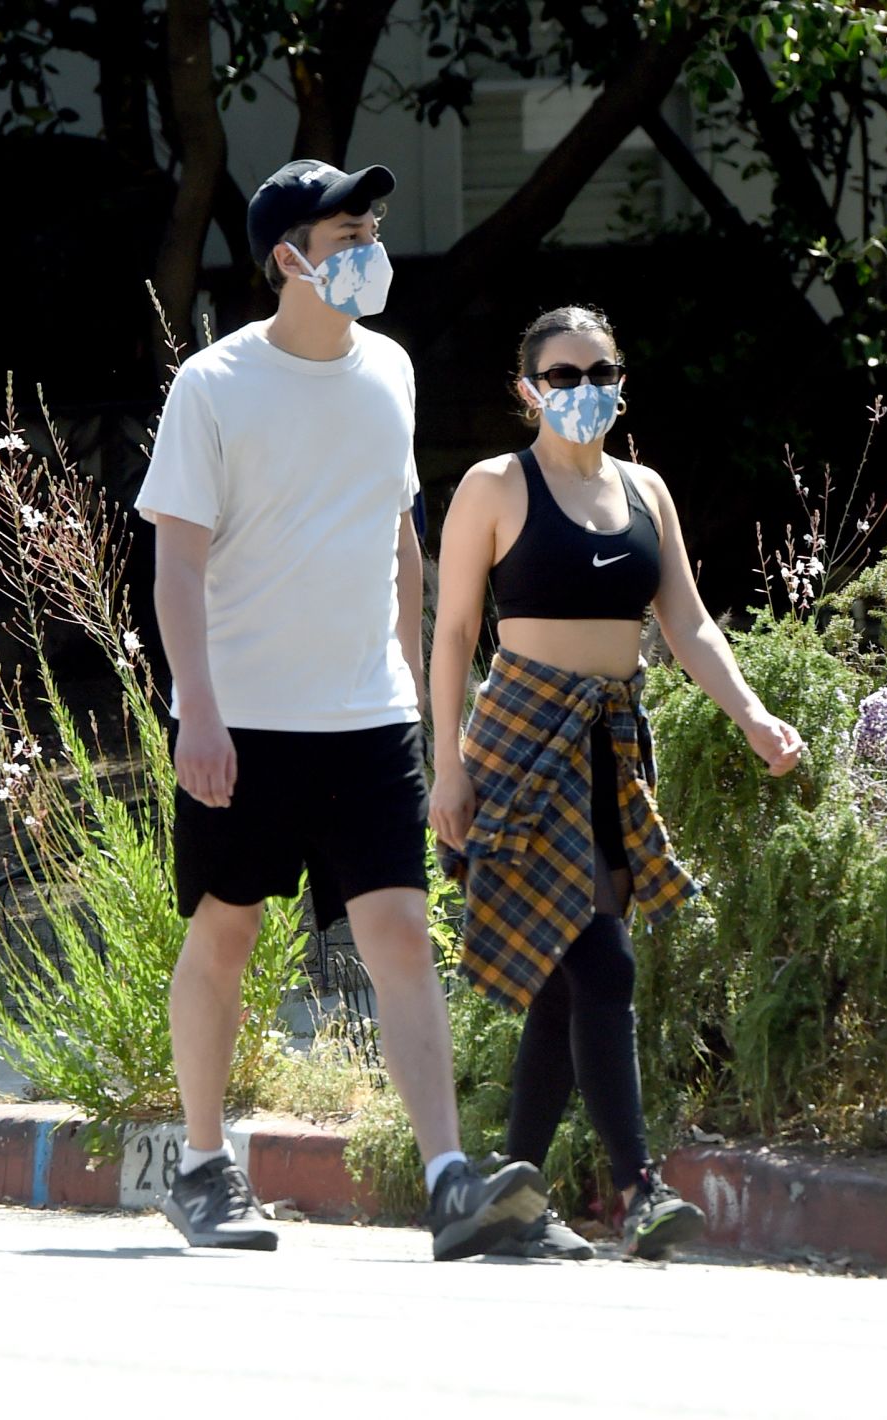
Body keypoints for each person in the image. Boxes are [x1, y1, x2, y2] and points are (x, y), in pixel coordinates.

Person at [134, 159, 547, 1258]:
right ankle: (205, 1164)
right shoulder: (213, 388)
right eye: (346, 231)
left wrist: (415, 687)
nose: (368, 243)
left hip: (369, 715)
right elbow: (178, 566)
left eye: (371, 224)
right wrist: (200, 712)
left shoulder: (393, 372)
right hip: (248, 719)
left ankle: (450, 1179)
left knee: (401, 931)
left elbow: (401, 532)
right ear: (288, 259)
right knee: (227, 930)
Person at [429, 305, 803, 1260]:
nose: (583, 388)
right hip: (518, 746)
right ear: (528, 390)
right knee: (604, 963)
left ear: (621, 381)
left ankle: (503, 1194)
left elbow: (689, 624)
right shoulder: (495, 487)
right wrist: (446, 771)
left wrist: (754, 716)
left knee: (565, 983)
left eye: (600, 371)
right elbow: (453, 633)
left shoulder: (647, 491)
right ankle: (637, 1192)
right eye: (561, 375)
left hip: (612, 748)